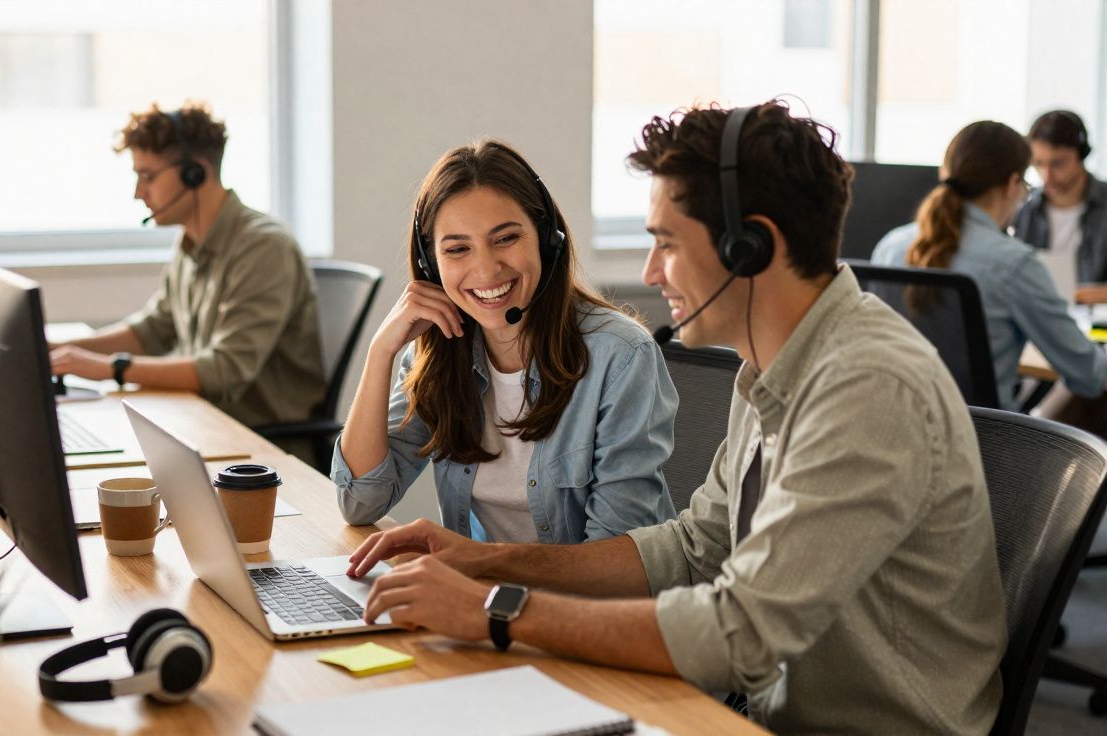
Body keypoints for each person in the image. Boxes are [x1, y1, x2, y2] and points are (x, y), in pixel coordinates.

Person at [347, 103, 1007, 734]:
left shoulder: (866, 387)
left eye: (666, 243)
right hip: (752, 711)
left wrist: (496, 609)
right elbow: (692, 549)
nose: (649, 271)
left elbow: (739, 634)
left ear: (750, 246)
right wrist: (488, 560)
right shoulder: (775, 369)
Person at [332, 139, 676, 544]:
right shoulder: (439, 354)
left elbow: (613, 559)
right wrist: (380, 352)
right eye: (458, 249)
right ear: (431, 266)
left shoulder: (619, 357)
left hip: (581, 604)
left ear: (548, 240)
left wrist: (476, 568)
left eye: (506, 238)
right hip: (489, 594)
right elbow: (359, 502)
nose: (486, 268)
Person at [49, 102, 325, 436]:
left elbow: (225, 369)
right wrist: (61, 351)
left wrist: (111, 368)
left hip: (255, 444)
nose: (138, 193)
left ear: (194, 173)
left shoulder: (263, 247)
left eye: (147, 176)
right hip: (196, 423)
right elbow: (154, 330)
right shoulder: (191, 242)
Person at [873, 121, 1107, 420]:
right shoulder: (1014, 264)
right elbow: (1088, 375)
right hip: (983, 447)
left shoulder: (890, 246)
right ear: (1012, 184)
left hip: (892, 432)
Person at [1014, 110, 1107, 297]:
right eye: (1038, 163)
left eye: (1058, 164)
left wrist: (1078, 295)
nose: (1047, 176)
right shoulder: (1025, 209)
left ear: (1081, 155)